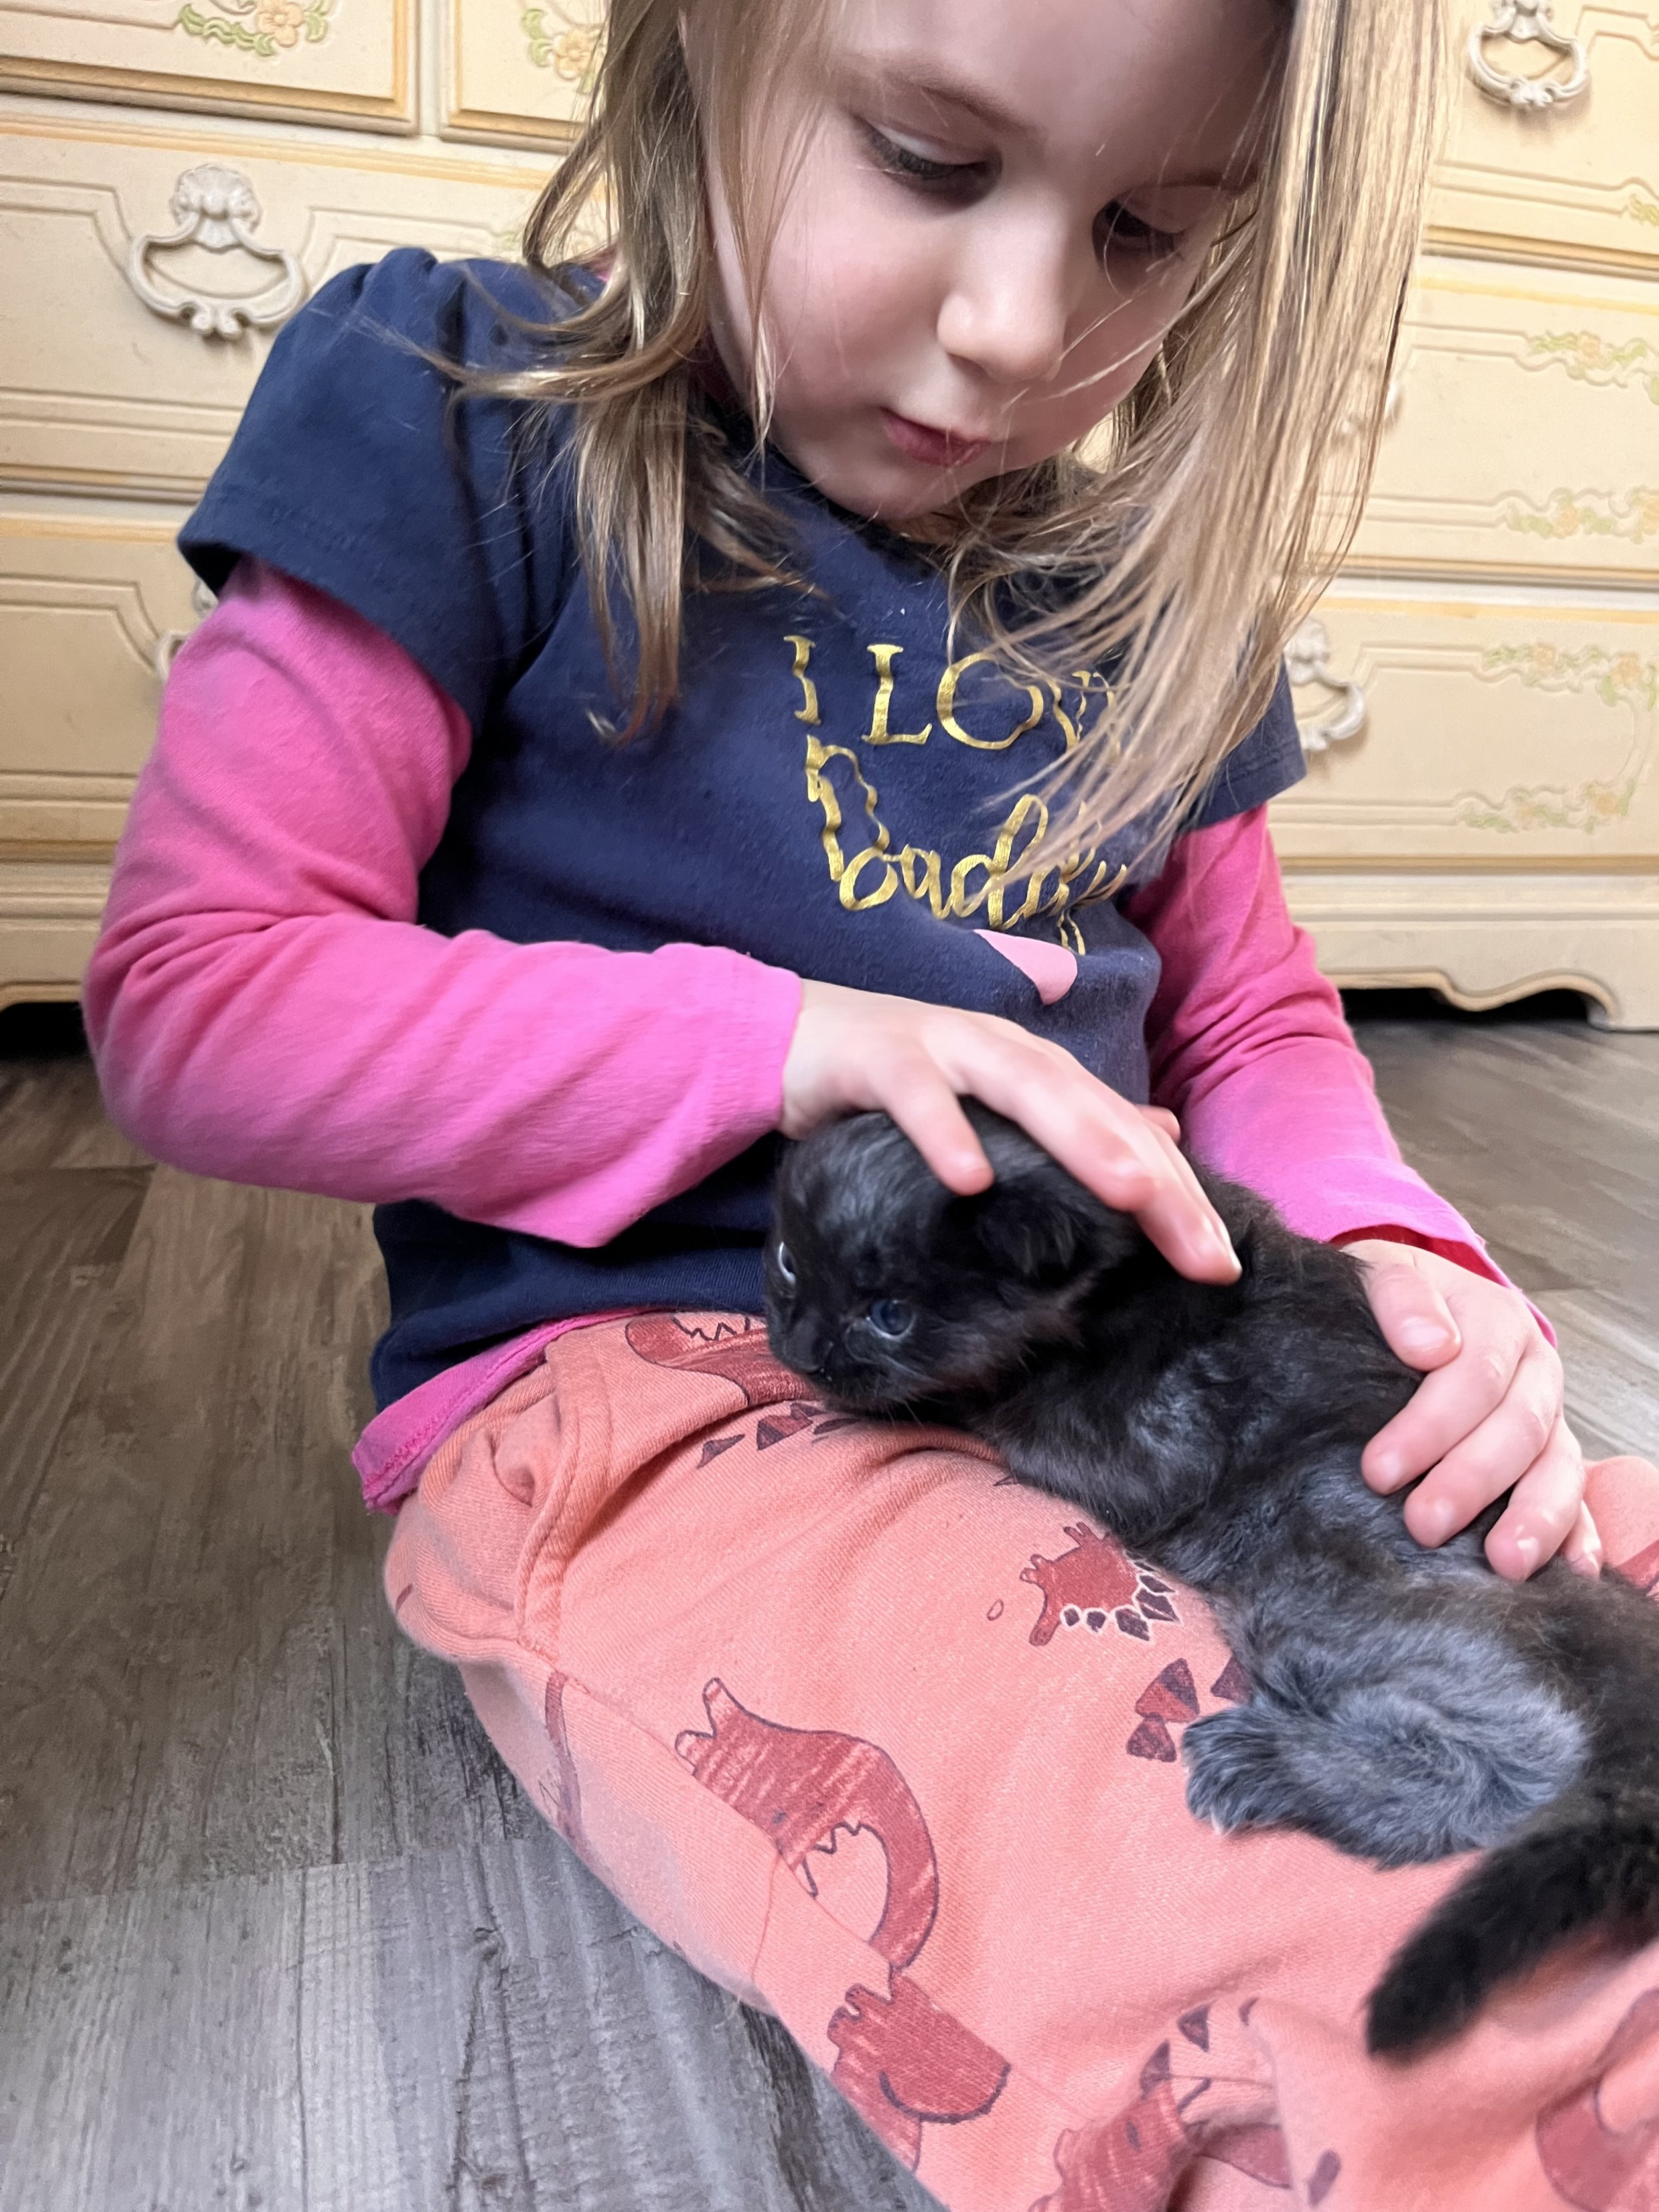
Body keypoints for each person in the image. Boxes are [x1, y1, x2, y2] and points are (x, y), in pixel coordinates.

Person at [86, 0, 1659, 2202]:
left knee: (1593, 1599)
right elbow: (199, 995)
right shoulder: (449, 404)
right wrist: (785, 1038)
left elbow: (1258, 1036)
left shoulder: (1134, 598)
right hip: (672, 1390)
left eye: (1142, 229)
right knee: (1223, 1848)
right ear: (688, 50)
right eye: (926, 161)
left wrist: (1404, 1264)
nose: (1017, 328)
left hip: (1171, 1357)